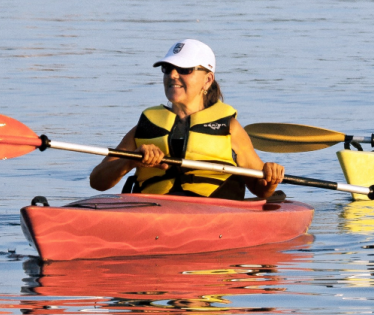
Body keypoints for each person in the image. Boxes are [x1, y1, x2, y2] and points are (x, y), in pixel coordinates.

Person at [89, 39, 285, 198]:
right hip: (153, 213)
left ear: (207, 80)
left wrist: (271, 177)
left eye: (184, 69)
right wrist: (130, 162)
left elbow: (260, 190)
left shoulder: (230, 129)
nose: (173, 75)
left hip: (213, 214)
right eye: (167, 69)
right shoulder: (144, 129)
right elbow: (97, 182)